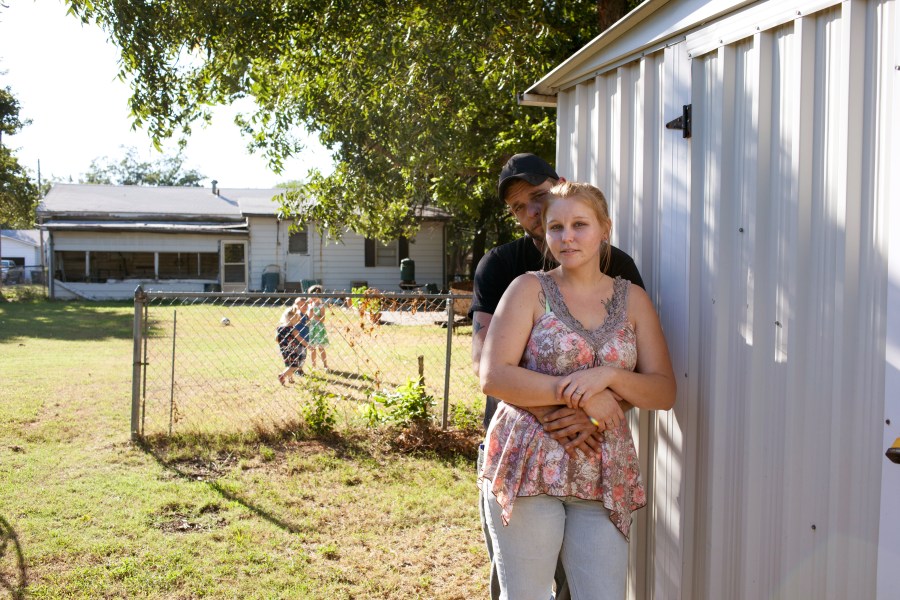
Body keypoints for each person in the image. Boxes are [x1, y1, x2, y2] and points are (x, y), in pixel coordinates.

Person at [479, 181, 676, 599]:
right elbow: (494, 376)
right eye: (556, 227)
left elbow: (663, 392)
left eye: (580, 225)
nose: (567, 237)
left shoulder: (633, 300)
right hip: (530, 465)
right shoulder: (528, 289)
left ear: (605, 228)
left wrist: (608, 378)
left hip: (601, 469)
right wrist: (580, 393)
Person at [276, 297, 310, 385]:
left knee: (289, 364)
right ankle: (282, 375)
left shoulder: (280, 328)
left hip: (284, 350)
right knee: (294, 366)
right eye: (297, 319)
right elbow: (300, 338)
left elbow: (276, 339)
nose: (298, 321)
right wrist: (308, 346)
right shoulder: (293, 329)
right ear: (292, 319)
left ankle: (290, 378)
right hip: (293, 350)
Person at [306, 285, 330, 370]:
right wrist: (310, 313)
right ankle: (313, 366)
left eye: (315, 296)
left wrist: (315, 315)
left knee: (321, 348)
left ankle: (325, 365)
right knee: (312, 348)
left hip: (319, 328)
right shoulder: (309, 305)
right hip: (311, 328)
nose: (313, 298)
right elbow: (308, 318)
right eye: (311, 296)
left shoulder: (321, 306)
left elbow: (323, 319)